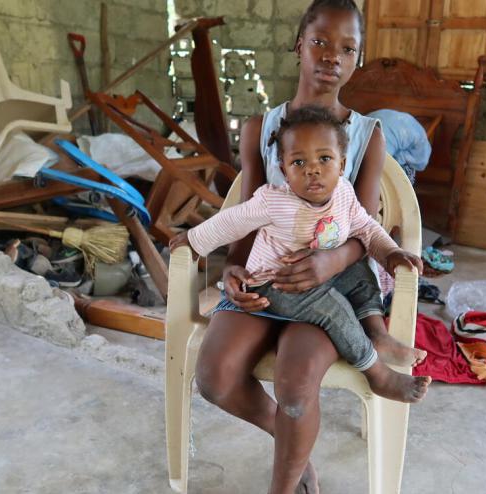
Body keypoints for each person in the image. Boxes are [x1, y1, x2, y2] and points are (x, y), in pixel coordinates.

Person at [188, 2, 417, 492]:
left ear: (358, 58)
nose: (332, 56)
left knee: (296, 385)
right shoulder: (261, 129)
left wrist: (331, 259)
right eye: (320, 42)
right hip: (267, 277)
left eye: (348, 48)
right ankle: (293, 444)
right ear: (298, 45)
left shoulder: (366, 136)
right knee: (215, 376)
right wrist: (232, 266)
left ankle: (284, 484)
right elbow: (247, 211)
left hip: (327, 289)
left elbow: (363, 226)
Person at [170, 105, 432, 403]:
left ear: (342, 163)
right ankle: (376, 373)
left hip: (322, 277)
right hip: (277, 283)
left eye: (324, 158)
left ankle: (377, 333)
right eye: (298, 162)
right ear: (284, 170)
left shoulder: (344, 193)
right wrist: (192, 240)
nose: (313, 169)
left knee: (362, 273)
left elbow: (366, 228)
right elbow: (230, 222)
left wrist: (391, 252)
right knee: (334, 308)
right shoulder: (273, 201)